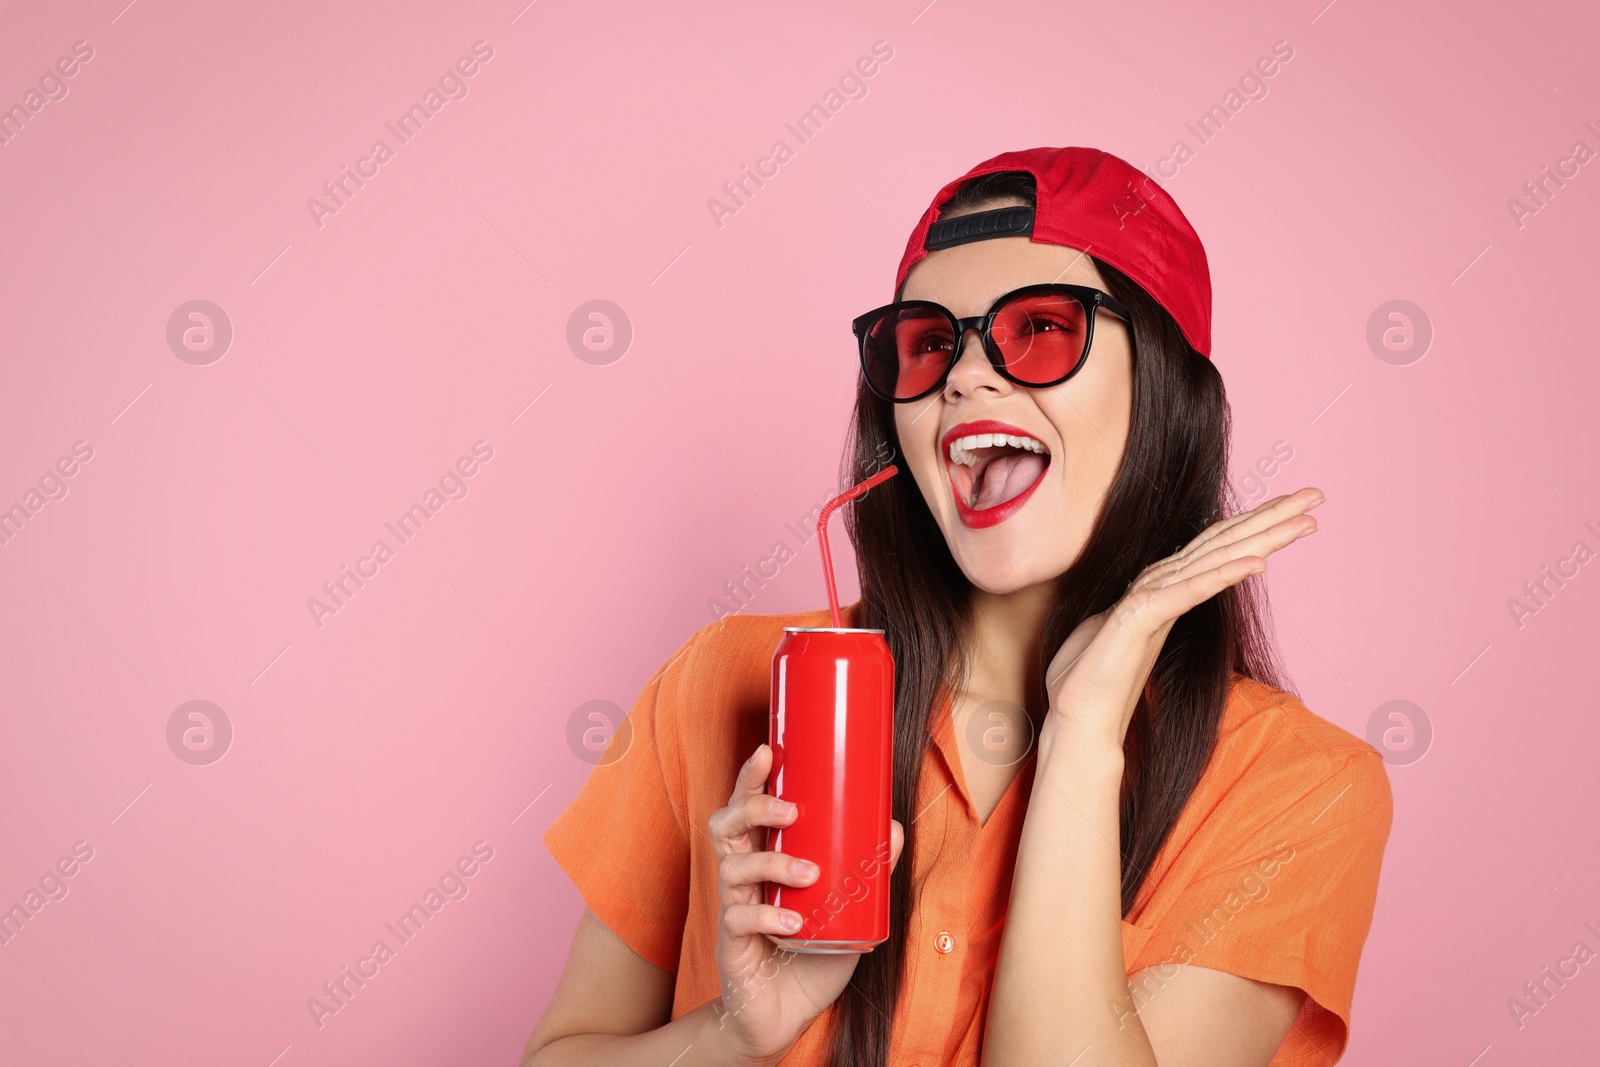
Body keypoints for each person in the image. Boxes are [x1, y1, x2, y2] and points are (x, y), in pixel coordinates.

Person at [526, 146, 1392, 1067]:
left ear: (1166, 395)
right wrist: (734, 1032)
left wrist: (1083, 733)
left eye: (1042, 330)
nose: (966, 377)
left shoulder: (1299, 785)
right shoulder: (723, 682)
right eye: (931, 343)